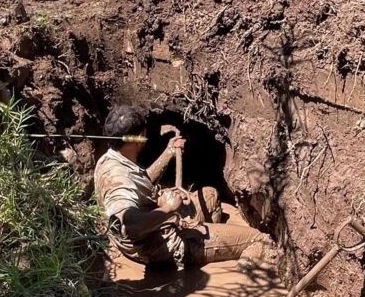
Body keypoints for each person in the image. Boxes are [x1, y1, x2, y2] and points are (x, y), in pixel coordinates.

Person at [93, 105, 275, 270]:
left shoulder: (111, 160)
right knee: (259, 240)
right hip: (164, 245)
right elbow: (130, 225)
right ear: (138, 139)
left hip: (155, 229)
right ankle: (222, 256)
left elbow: (142, 181)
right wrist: (168, 209)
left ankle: (213, 240)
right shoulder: (118, 181)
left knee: (210, 195)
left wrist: (169, 151)